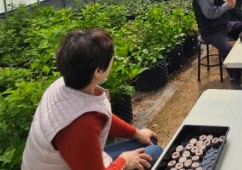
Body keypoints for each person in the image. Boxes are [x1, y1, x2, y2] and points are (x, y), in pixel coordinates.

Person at [22, 28, 163, 170]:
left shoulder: (65, 84)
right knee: (155, 152)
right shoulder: (80, 125)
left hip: (73, 162)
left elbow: (103, 114)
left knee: (148, 141)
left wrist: (136, 133)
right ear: (98, 71)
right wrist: (124, 162)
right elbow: (88, 123)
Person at [193, 0, 242, 89]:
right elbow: (210, 13)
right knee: (227, 48)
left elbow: (216, 3)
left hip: (222, 25)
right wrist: (227, 5)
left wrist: (226, 1)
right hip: (211, 31)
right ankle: (235, 80)